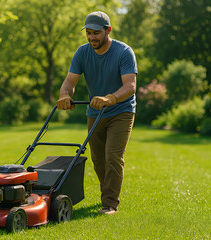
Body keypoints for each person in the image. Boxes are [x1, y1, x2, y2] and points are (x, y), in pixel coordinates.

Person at [56, 11, 137, 215]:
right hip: (95, 111)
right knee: (98, 160)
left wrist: (109, 98)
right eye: (88, 33)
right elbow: (69, 81)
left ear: (108, 30)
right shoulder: (82, 53)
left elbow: (130, 86)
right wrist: (65, 95)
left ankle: (110, 204)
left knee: (112, 157)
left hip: (121, 110)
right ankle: (107, 193)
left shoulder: (124, 52)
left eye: (96, 33)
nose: (92, 37)